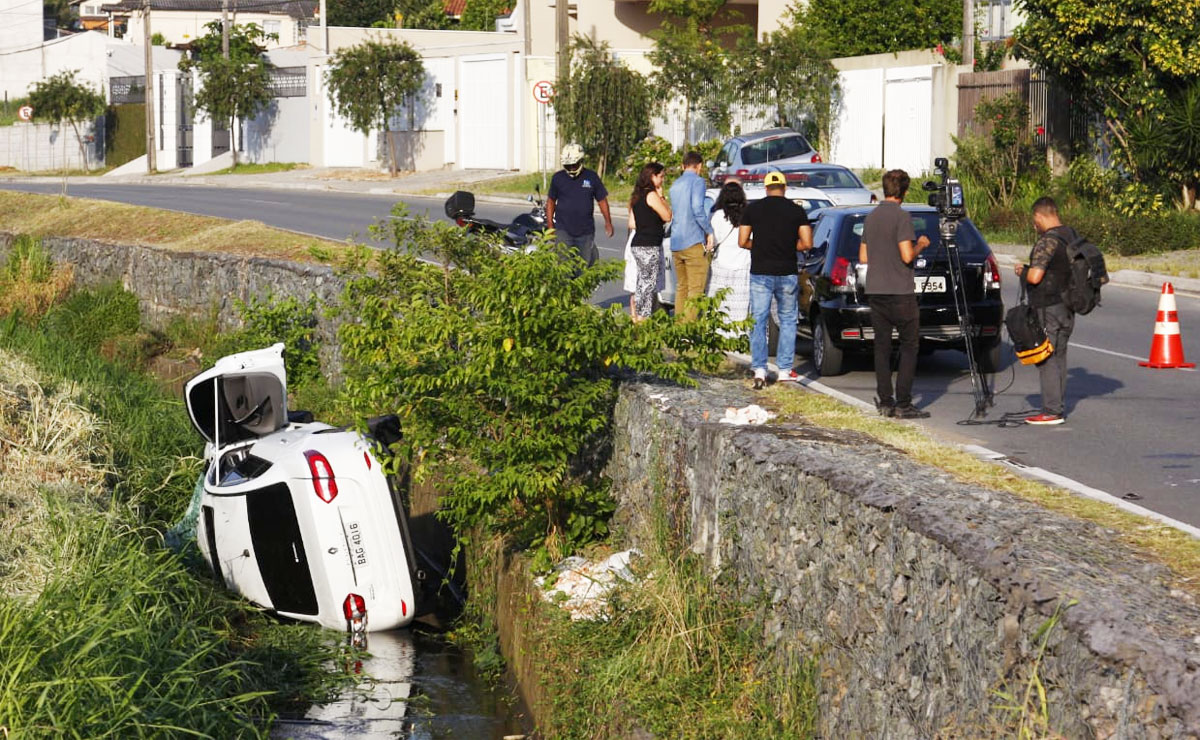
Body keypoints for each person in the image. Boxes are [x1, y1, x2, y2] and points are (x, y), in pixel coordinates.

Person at [858, 169, 932, 419]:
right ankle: (903, 402)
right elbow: (907, 255)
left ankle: (886, 400)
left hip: (876, 289)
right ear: (905, 191)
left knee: (882, 347)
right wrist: (920, 244)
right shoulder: (902, 217)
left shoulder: (871, 217)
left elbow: (863, 256)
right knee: (910, 345)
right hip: (900, 291)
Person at [738, 170, 813, 389]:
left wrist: (759, 246)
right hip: (787, 271)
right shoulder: (796, 211)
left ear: (765, 188)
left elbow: (742, 241)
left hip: (760, 270)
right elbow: (807, 243)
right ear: (785, 187)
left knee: (759, 319)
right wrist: (790, 247)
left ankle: (760, 368)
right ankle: (783, 369)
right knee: (788, 319)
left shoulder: (753, 209)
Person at [1013, 196, 1076, 425]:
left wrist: (1023, 271)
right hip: (1069, 306)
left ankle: (1051, 411)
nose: (1034, 225)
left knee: (1046, 357)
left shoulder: (1047, 241)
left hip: (1048, 306)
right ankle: (1057, 406)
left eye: (1034, 220)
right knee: (1059, 355)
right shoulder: (1072, 235)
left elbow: (1036, 276)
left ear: (1040, 216)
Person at [545, 143, 614, 267]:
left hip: (585, 232)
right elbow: (550, 201)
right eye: (568, 166)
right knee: (564, 268)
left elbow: (602, 200)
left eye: (574, 165)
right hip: (563, 231)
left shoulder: (592, 177)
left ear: (581, 161)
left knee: (582, 268)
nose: (571, 168)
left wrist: (608, 222)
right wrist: (550, 226)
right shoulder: (557, 178)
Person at [668, 151, 715, 320]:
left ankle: (679, 332)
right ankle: (688, 335)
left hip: (676, 242)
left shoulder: (674, 185)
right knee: (695, 290)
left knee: (682, 287)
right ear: (699, 166)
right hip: (693, 241)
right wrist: (709, 231)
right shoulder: (698, 181)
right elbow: (697, 209)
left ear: (683, 166)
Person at [627, 162, 672, 322]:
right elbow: (667, 216)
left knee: (642, 283)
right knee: (647, 285)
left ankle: (637, 317)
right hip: (648, 245)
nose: (662, 180)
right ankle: (642, 319)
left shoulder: (637, 195)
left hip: (639, 243)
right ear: (652, 177)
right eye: (660, 177)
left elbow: (632, 223)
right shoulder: (651, 195)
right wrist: (661, 196)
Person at [706, 180, 750, 335]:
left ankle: (718, 332)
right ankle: (738, 333)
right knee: (740, 301)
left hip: (721, 263)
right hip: (743, 263)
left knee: (720, 300)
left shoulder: (718, 216)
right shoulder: (747, 215)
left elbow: (713, 239)